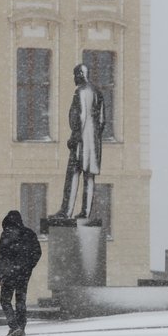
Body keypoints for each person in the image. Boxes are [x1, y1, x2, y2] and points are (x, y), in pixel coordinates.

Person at [57, 63, 106, 219]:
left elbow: (82, 116)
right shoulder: (98, 92)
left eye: (75, 75)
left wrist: (75, 137)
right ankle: (85, 213)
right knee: (89, 177)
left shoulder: (80, 92)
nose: (74, 79)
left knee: (73, 174)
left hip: (81, 141)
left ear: (80, 74)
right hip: (94, 142)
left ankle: (67, 211)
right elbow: (102, 120)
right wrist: (95, 136)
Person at [0, 210, 42, 336]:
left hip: (9, 274)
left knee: (5, 300)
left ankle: (14, 326)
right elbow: (37, 252)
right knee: (20, 301)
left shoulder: (6, 234)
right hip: (23, 274)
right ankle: (21, 330)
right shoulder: (29, 233)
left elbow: (1, 256)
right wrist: (28, 266)